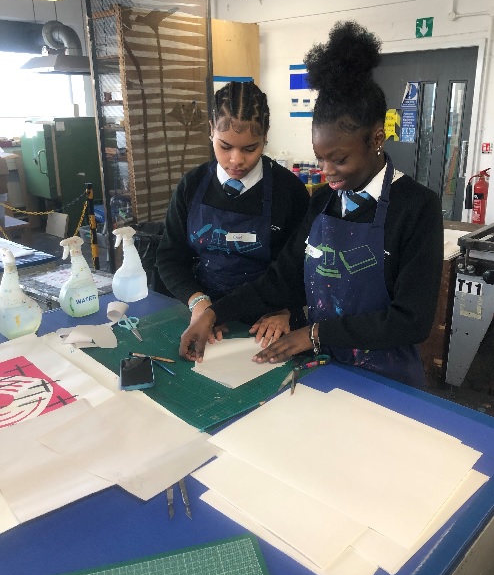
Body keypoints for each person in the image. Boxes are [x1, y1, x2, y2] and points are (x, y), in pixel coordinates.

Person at [179, 21, 444, 388]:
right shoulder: (323, 201)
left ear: (377, 138)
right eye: (320, 158)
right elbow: (282, 277)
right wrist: (213, 313)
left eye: (339, 159)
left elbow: (411, 320)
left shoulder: (417, 207)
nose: (327, 173)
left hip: (386, 376)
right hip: (320, 367)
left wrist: (314, 333)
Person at [156, 80, 310, 333]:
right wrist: (196, 301)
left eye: (250, 148)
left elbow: (302, 266)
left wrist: (286, 309)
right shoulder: (192, 186)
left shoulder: (288, 190)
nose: (236, 160)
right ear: (211, 131)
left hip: (270, 319)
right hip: (207, 314)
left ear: (266, 135)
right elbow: (170, 257)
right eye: (224, 146)